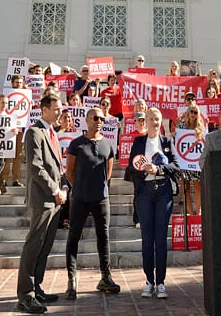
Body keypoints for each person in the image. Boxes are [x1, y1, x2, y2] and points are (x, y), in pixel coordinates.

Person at [15, 91, 67, 314]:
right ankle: (25, 295)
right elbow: (36, 167)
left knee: (45, 247)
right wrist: (55, 190)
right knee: (34, 245)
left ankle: (37, 288)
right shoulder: (34, 133)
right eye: (56, 109)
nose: (59, 112)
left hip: (55, 199)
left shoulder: (52, 133)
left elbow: (58, 167)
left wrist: (64, 188)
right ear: (44, 109)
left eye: (60, 109)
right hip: (43, 198)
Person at [64, 107, 121, 300]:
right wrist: (79, 187)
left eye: (102, 119)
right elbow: (69, 172)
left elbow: (108, 172)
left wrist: (99, 188)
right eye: (96, 118)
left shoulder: (108, 143)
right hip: (80, 198)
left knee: (103, 237)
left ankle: (106, 277)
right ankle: (72, 281)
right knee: (73, 237)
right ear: (87, 120)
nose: (99, 122)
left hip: (101, 199)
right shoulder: (76, 144)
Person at [128, 107, 180, 300]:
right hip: (144, 193)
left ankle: (161, 282)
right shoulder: (138, 142)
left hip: (163, 192)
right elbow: (131, 167)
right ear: (145, 121)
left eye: (157, 119)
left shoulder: (167, 142)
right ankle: (149, 281)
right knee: (147, 239)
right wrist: (144, 169)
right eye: (151, 119)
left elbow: (175, 165)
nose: (155, 122)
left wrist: (158, 169)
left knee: (161, 239)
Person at [175, 94, 205, 215]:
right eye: (191, 112)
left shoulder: (201, 128)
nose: (193, 114)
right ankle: (191, 213)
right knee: (185, 187)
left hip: (196, 162)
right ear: (187, 113)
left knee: (198, 187)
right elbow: (177, 141)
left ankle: (198, 212)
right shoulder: (181, 126)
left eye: (195, 112)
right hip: (184, 161)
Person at [0, 74, 28, 191]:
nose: (19, 84)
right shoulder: (7, 95)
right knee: (7, 155)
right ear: (12, 83)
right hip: (8, 129)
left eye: (20, 82)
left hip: (20, 129)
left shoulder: (26, 96)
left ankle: (16, 180)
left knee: (18, 155)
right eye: (17, 82)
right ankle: (4, 180)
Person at [56, 109, 77, 231]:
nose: (67, 120)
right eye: (65, 117)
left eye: (69, 117)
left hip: (71, 170)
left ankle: (67, 219)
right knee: (62, 193)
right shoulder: (55, 133)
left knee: (70, 194)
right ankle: (61, 219)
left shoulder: (76, 134)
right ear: (60, 119)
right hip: (59, 170)